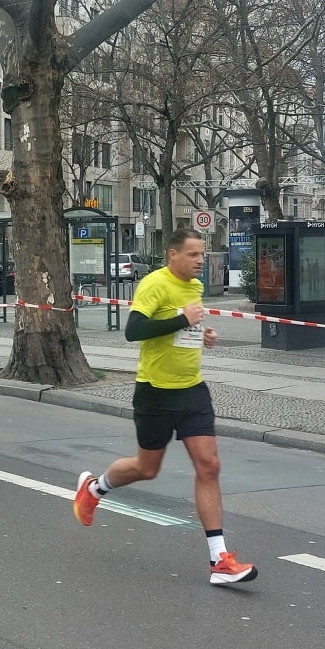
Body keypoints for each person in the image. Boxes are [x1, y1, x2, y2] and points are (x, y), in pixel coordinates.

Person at [73, 228, 258, 585]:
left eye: (202, 254)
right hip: (155, 392)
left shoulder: (195, 288)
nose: (201, 260)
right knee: (146, 468)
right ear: (172, 255)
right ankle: (95, 489)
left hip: (192, 389)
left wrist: (201, 335)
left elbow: (184, 330)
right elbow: (134, 330)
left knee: (209, 464)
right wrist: (182, 321)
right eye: (193, 254)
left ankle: (219, 560)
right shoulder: (154, 285)